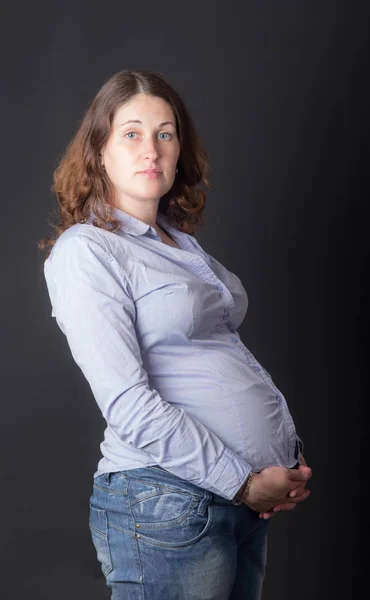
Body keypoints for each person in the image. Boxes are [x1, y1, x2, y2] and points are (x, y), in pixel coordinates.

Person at [39, 69, 312, 600]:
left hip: (231, 505)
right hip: (166, 502)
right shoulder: (87, 251)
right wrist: (243, 480)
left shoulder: (178, 244)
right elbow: (128, 403)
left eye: (166, 134)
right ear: (99, 151)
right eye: (132, 133)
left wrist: (279, 463)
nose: (153, 150)